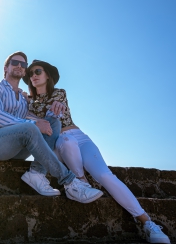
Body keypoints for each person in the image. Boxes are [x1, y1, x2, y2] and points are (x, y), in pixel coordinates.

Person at [24, 59, 170, 244]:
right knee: (66, 140)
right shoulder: (28, 102)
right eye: (30, 74)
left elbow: (57, 107)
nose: (33, 76)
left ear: (48, 75)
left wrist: (53, 110)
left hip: (80, 136)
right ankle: (81, 182)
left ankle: (148, 223)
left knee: (105, 175)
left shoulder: (59, 93)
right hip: (58, 142)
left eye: (37, 71)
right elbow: (28, 120)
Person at [0, 51, 103, 203]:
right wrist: (35, 124)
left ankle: (36, 173)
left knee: (53, 122)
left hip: (12, 149)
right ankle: (70, 182)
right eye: (15, 62)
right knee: (31, 128)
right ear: (5, 68)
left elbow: (34, 120)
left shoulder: (22, 100)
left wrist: (57, 109)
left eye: (23, 65)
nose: (19, 66)